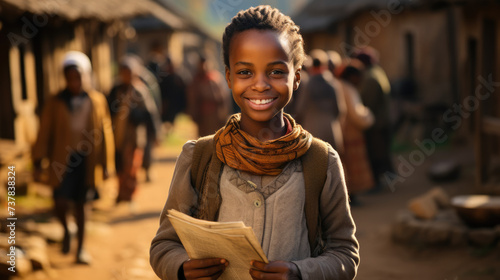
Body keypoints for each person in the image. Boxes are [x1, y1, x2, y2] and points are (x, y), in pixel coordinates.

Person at [150, 5, 359, 280]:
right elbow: (163, 245)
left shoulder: (321, 161)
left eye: (275, 72)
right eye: (245, 72)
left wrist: (301, 272)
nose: (260, 85)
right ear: (228, 77)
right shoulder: (199, 157)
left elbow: (344, 253)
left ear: (296, 78)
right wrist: (180, 267)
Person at [32, 51, 115, 264]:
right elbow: (45, 131)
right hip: (62, 159)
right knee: (59, 202)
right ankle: (67, 230)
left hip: (86, 160)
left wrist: (106, 164)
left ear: (85, 76)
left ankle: (81, 248)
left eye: (78, 77)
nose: (75, 82)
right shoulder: (55, 102)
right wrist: (38, 159)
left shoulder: (96, 101)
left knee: (82, 204)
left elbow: (105, 132)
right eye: (70, 77)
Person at [107, 55, 160, 204]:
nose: (126, 76)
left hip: (135, 136)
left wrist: (155, 132)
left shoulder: (140, 91)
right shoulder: (115, 90)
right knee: (119, 166)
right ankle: (120, 192)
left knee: (132, 167)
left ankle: (129, 194)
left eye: (129, 73)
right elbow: (108, 111)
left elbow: (150, 113)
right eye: (124, 73)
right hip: (117, 136)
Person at [355, 47, 394, 191]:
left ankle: (378, 184)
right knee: (383, 152)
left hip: (377, 123)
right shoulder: (378, 72)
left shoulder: (370, 78)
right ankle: (386, 180)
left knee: (376, 154)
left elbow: (368, 102)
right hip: (384, 120)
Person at [337, 60, 375, 204]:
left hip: (342, 130)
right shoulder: (348, 89)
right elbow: (356, 113)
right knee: (352, 166)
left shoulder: (337, 84)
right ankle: (352, 194)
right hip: (351, 131)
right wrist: (369, 117)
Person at [295, 49, 346, 153]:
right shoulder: (333, 84)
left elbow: (300, 109)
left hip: (312, 129)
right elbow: (340, 109)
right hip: (331, 129)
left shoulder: (307, 85)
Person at [186, 55, 232, 137]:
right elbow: (192, 100)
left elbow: (224, 98)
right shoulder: (196, 80)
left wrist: (224, 114)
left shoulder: (215, 78)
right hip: (202, 116)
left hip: (215, 115)